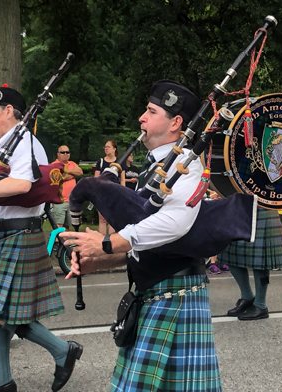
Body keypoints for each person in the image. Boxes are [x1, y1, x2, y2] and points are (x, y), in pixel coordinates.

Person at [61, 80, 222, 391]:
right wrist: (100, 259)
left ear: (176, 123)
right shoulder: (154, 169)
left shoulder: (184, 163)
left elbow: (176, 223)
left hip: (176, 294)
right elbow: (149, 240)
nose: (141, 118)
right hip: (155, 292)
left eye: (151, 111)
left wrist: (108, 241)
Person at [0, 86, 82, 392]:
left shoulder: (27, 143)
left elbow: (21, 186)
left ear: (8, 110)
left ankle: (55, 355)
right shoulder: (2, 146)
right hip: (0, 235)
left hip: (19, 234)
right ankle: (8, 377)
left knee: (0, 310)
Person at [218, 207, 282, 320]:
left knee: (260, 258)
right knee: (231, 253)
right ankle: (247, 296)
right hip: (239, 206)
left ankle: (260, 304)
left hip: (264, 206)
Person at [94, 140, 125, 234]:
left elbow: (122, 179)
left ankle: (111, 243)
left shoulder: (120, 162)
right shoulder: (101, 162)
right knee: (102, 219)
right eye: (105, 147)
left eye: (108, 147)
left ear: (114, 149)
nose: (106, 149)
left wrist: (123, 193)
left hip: (115, 193)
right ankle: (101, 243)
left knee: (112, 219)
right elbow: (96, 179)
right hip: (102, 193)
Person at [51, 145, 83, 229]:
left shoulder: (72, 164)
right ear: (58, 154)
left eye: (67, 152)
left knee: (67, 226)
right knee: (58, 225)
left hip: (71, 200)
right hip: (59, 200)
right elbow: (57, 179)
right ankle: (57, 241)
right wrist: (73, 175)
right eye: (62, 152)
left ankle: (64, 241)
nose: (65, 154)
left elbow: (80, 172)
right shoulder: (53, 165)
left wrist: (65, 171)